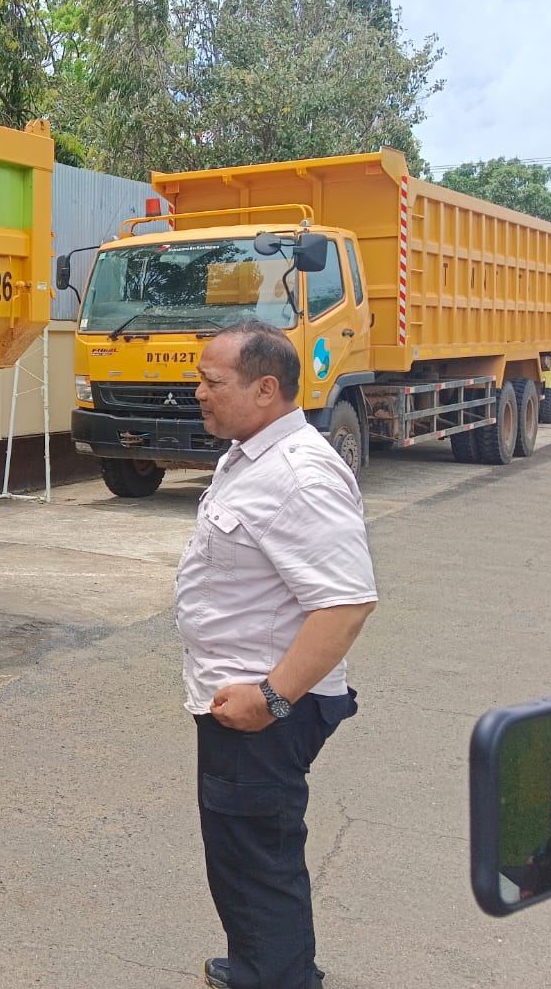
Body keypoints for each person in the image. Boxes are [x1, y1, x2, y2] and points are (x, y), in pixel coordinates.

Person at [177, 320, 377, 989]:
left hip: (263, 709)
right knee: (240, 855)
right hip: (238, 700)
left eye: (211, 382)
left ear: (266, 389)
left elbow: (345, 604)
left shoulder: (298, 475)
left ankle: (278, 977)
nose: (198, 393)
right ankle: (258, 965)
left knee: (259, 859)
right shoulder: (249, 456)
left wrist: (270, 699)